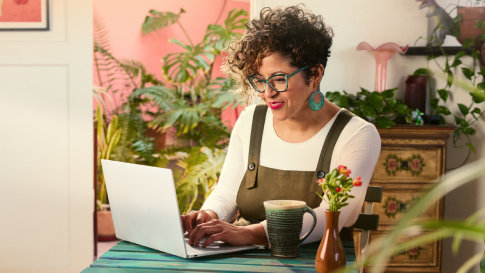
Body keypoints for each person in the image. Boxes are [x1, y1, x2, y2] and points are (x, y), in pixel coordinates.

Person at [181, 5, 381, 248]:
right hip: (241, 259)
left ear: (315, 74)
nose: (267, 93)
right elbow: (226, 193)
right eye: (260, 81)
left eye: (278, 79)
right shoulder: (250, 121)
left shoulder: (356, 135)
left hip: (315, 262)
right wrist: (209, 216)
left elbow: (336, 216)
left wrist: (250, 233)